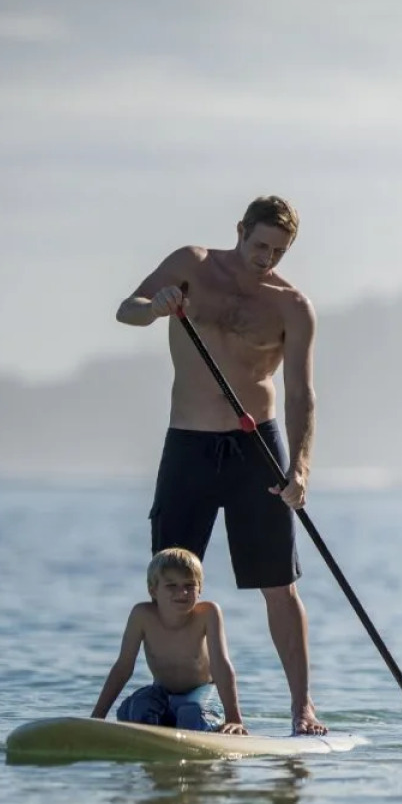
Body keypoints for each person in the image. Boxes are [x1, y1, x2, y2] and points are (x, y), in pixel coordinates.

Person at [115, 195, 326, 735]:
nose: (266, 258)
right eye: (259, 245)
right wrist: (156, 304)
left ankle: (302, 709)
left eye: (278, 251)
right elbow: (128, 310)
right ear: (240, 231)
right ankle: (176, 697)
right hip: (188, 444)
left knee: (279, 584)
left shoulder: (292, 306)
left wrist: (299, 469)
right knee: (169, 581)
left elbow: (302, 395)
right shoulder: (192, 265)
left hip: (256, 450)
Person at [91, 548, 246, 734]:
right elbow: (123, 667)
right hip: (162, 692)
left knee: (193, 715)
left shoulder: (208, 614)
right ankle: (163, 724)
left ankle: (192, 723)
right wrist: (97, 717)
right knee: (138, 710)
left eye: (189, 585)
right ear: (153, 590)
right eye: (171, 585)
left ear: (200, 589)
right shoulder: (142, 615)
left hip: (200, 692)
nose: (182, 592)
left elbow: (221, 665)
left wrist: (234, 719)